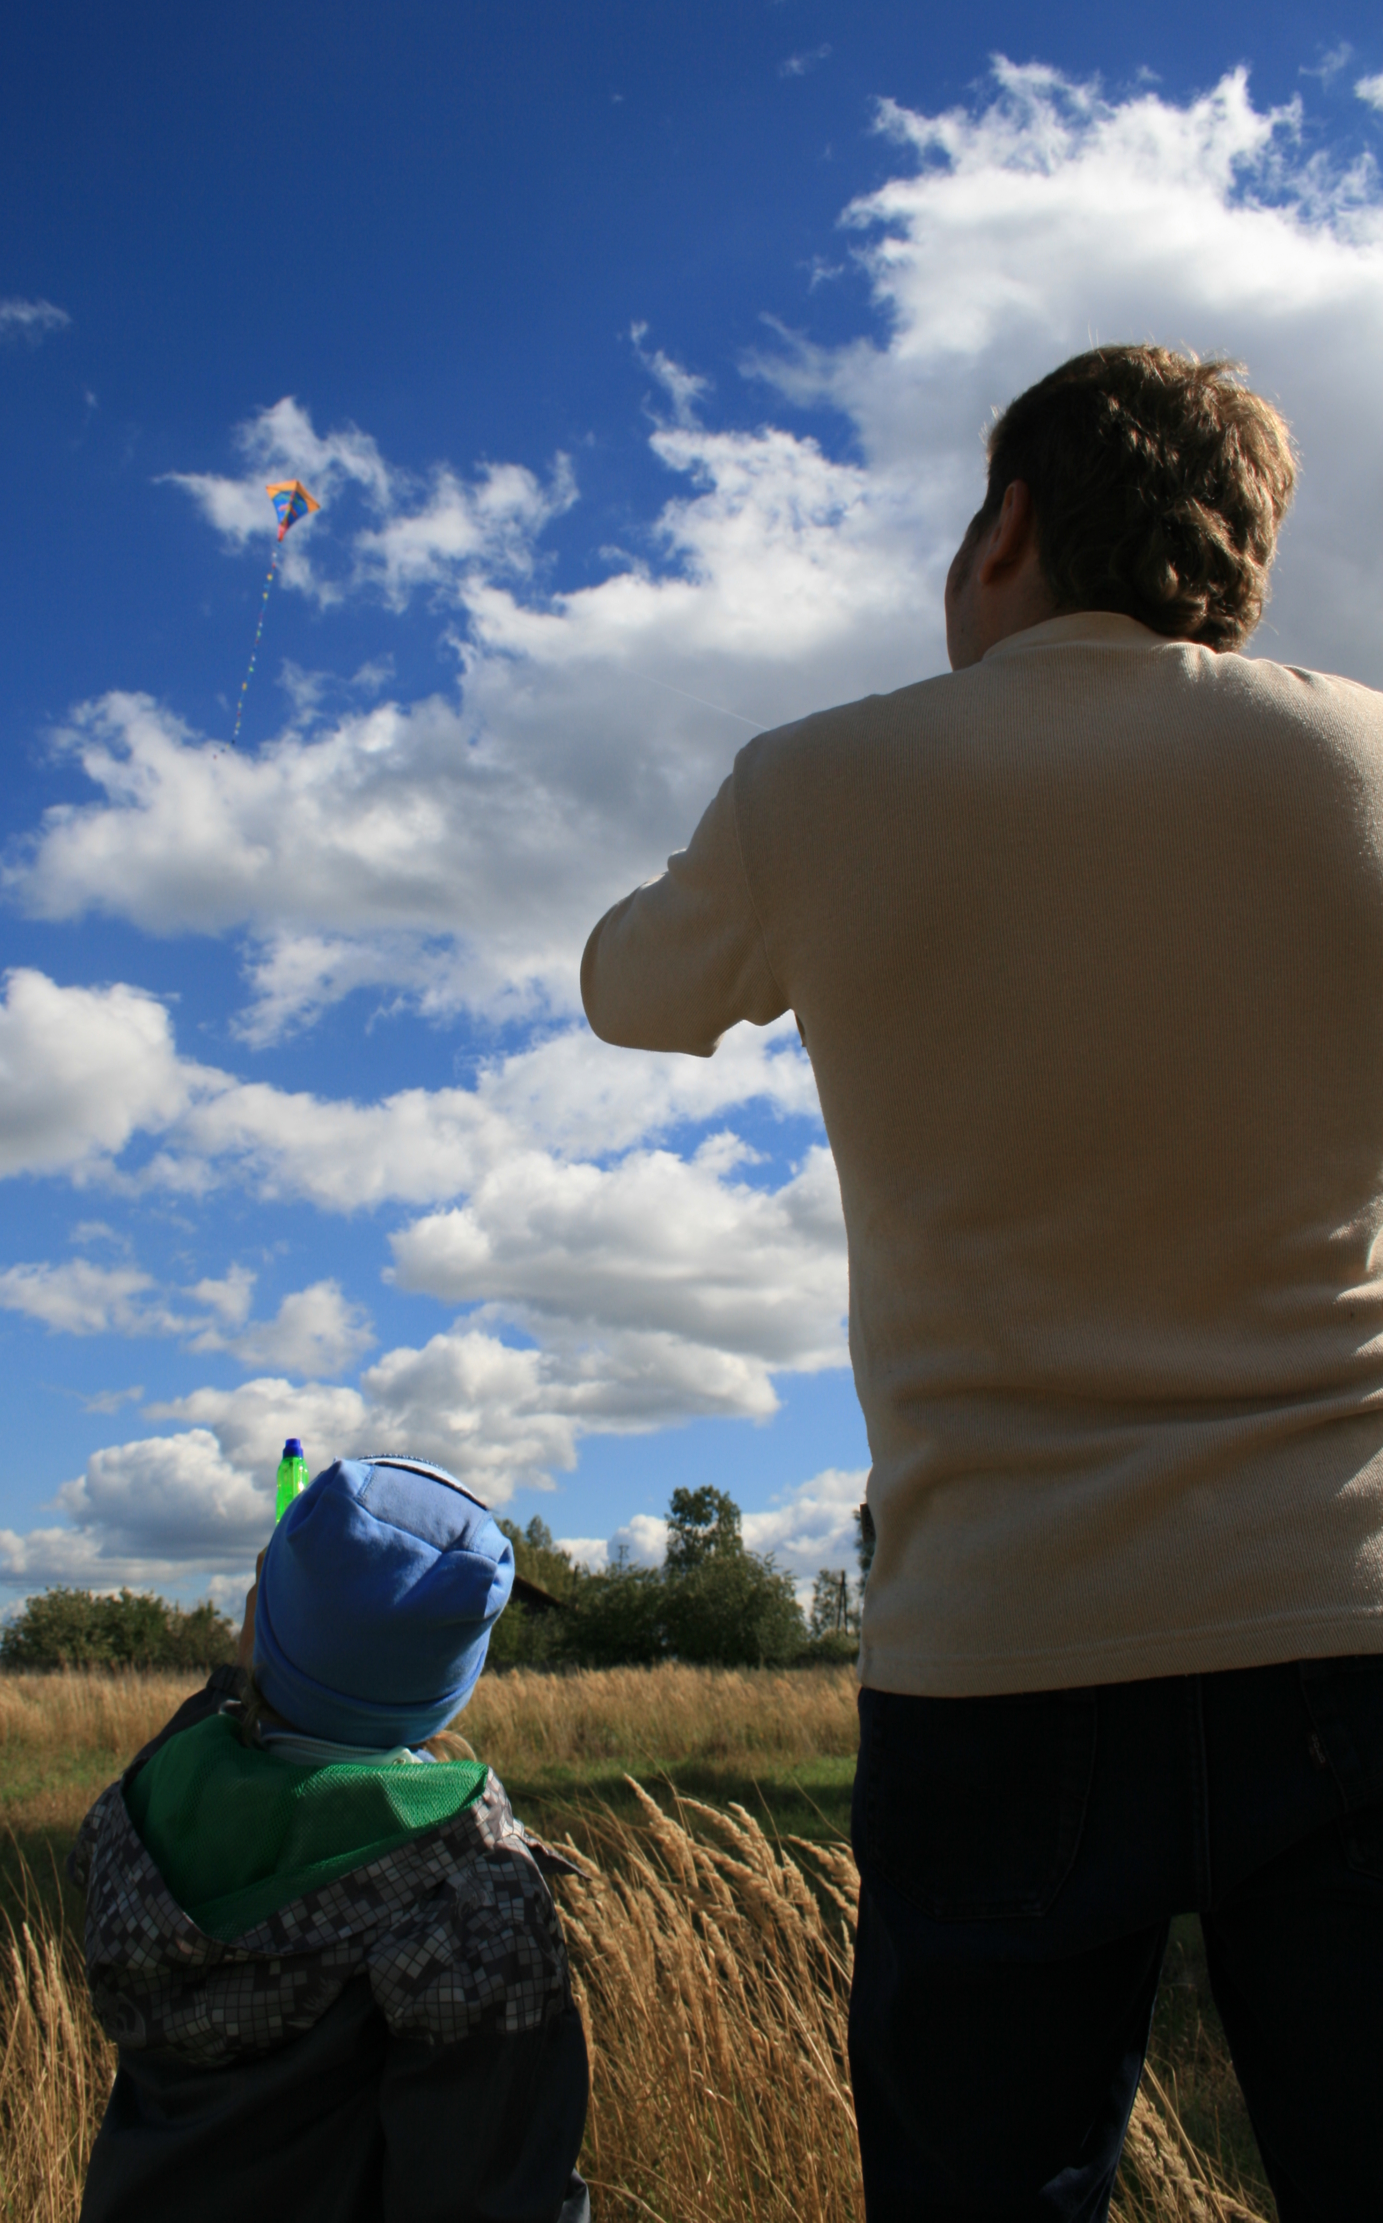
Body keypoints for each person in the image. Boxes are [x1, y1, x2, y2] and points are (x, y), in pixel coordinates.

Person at [579, 345, 1383, 2218]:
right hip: (1352, 1623)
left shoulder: (821, 783)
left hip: (999, 1652)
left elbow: (631, 990)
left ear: (1009, 522)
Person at [70, 1454, 592, 2223]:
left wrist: (268, 1640)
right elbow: (496, 2190)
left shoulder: (154, 1799)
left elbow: (211, 1720)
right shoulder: (468, 1891)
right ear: (450, 1688)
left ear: (261, 1634)